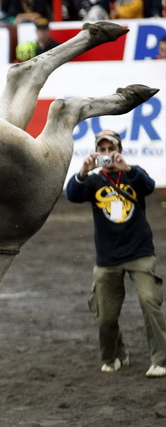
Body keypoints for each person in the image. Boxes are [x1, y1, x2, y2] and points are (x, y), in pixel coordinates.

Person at [66, 130, 166, 378]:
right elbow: (72, 195)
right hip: (108, 258)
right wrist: (82, 172)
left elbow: (149, 187)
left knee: (150, 302)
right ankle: (115, 355)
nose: (107, 154)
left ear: (119, 150)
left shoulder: (134, 174)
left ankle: (160, 360)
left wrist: (129, 168)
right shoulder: (92, 180)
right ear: (96, 152)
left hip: (139, 252)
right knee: (105, 314)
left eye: (111, 149)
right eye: (102, 150)